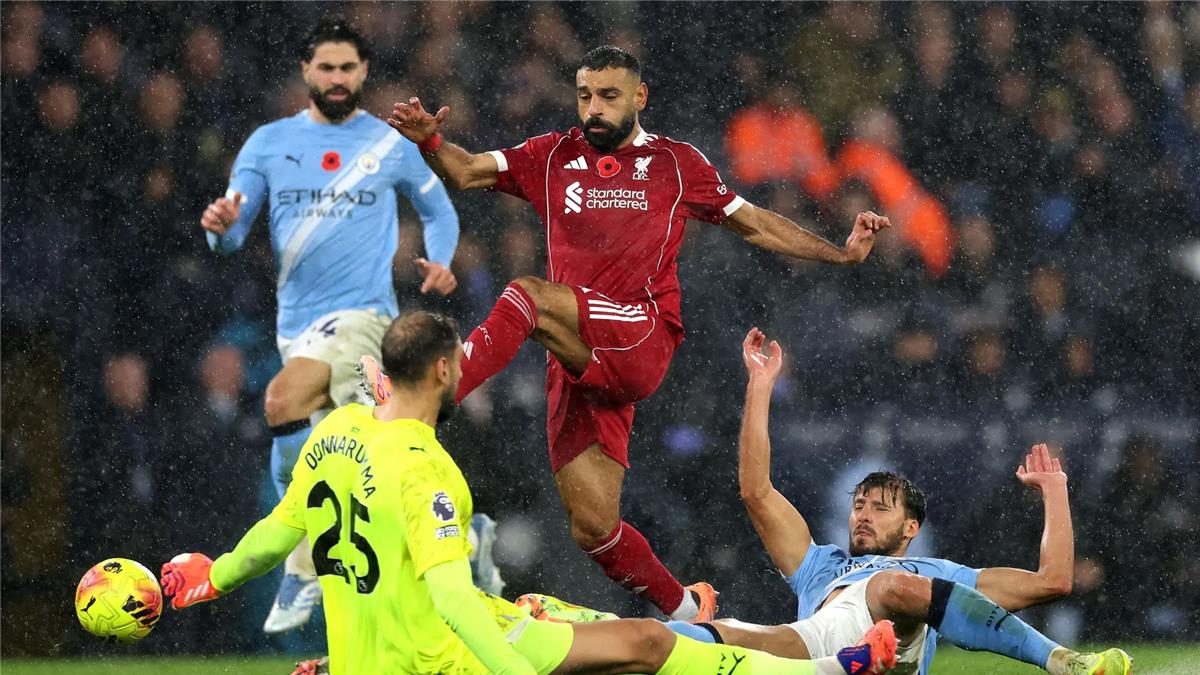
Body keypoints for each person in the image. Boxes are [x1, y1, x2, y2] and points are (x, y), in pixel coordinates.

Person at [384, 44, 890, 622]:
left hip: (640, 334)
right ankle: (688, 609)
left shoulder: (675, 163)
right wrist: (429, 140)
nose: (593, 109)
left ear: (639, 97)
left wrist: (839, 254)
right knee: (594, 528)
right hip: (577, 355)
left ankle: (429, 396)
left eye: (608, 96)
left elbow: (754, 223)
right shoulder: (551, 156)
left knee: (526, 295)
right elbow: (466, 169)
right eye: (584, 96)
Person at [160, 311, 898, 675]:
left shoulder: (335, 432)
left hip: (376, 658)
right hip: (444, 661)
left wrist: (210, 576)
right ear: (444, 371)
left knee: (563, 616)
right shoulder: (426, 469)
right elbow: (453, 601)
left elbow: (274, 533)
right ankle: (831, 670)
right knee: (643, 644)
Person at [664, 329, 1132, 675]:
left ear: (912, 528)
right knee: (667, 639)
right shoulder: (818, 566)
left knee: (893, 587)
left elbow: (1053, 581)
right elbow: (756, 491)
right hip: (817, 656)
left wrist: (1055, 491)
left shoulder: (941, 576)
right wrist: (760, 386)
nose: (863, 515)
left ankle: (1063, 662)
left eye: (880, 507)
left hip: (895, 652)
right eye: (859, 505)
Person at [198, 18, 460, 633]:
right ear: (306, 72)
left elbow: (439, 210)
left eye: (348, 68)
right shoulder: (268, 143)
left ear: (363, 72)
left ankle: (304, 560)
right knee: (367, 460)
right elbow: (232, 233)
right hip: (297, 327)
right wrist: (219, 229)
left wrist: (442, 260)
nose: (337, 78)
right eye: (327, 67)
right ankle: (453, 552)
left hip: (365, 319)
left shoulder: (389, 144)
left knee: (282, 400)